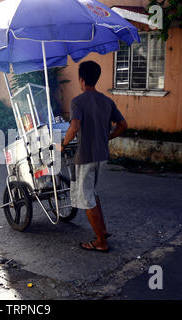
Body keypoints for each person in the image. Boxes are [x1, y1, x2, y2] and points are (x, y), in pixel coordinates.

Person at [59, 60, 127, 253]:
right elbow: (123, 125)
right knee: (92, 193)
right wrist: (108, 136)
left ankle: (100, 242)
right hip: (101, 155)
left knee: (86, 197)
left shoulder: (78, 101)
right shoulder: (107, 101)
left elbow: (74, 127)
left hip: (86, 155)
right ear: (95, 78)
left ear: (81, 79)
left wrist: (63, 145)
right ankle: (102, 231)